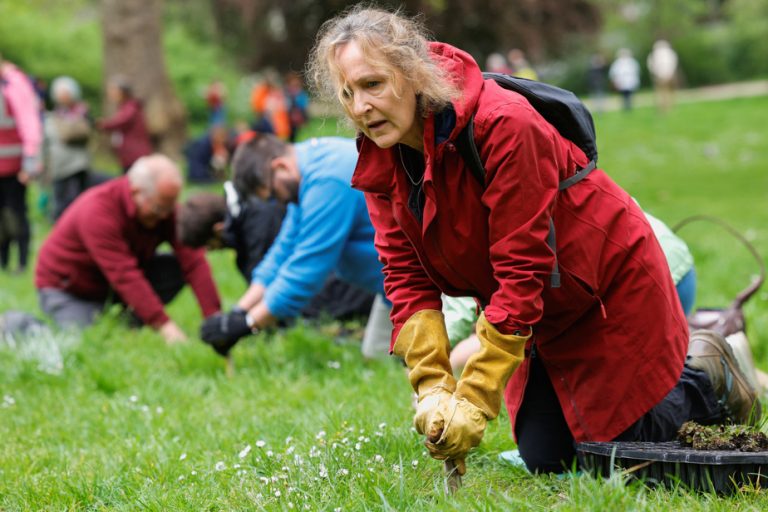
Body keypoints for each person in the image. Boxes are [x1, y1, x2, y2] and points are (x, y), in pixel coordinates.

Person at [308, 6, 760, 475]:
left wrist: (476, 398)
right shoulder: (383, 157)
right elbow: (404, 277)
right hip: (544, 312)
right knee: (546, 459)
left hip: (607, 285)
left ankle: (714, 374)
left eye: (372, 84)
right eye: (347, 93)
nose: (360, 106)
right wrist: (435, 388)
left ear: (413, 74)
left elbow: (522, 269)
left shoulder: (503, 124)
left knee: (622, 455)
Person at [198, 134, 391, 358]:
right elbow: (284, 248)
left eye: (273, 194)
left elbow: (308, 268)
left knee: (413, 363)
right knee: (377, 354)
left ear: (280, 166)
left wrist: (250, 323)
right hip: (391, 287)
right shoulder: (306, 170)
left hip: (422, 282)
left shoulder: (327, 181)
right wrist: (238, 313)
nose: (277, 203)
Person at [35, 154, 221, 344]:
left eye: (170, 208)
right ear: (135, 192)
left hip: (112, 285)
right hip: (70, 289)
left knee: (172, 268)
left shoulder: (164, 206)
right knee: (86, 338)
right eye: (159, 208)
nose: (166, 216)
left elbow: (193, 260)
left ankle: (130, 321)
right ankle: (18, 324)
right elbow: (124, 274)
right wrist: (166, 327)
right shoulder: (98, 211)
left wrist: (216, 319)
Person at [178, 187, 375, 322]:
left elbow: (285, 282)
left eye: (210, 246)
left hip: (349, 287)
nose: (214, 251)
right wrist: (240, 314)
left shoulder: (258, 225)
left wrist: (247, 322)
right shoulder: (245, 215)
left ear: (218, 229)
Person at [0, 54, 42, 274]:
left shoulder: (15, 83)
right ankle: (3, 263)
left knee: (16, 212)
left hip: (16, 168)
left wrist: (30, 162)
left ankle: (23, 263)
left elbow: (29, 123)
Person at [44, 76, 105, 220]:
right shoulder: (54, 116)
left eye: (66, 94)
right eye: (61, 94)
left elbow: (77, 134)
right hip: (59, 166)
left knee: (76, 199)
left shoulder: (81, 113)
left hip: (77, 165)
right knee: (61, 200)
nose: (63, 98)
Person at [97, 77, 153, 173]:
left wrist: (103, 124)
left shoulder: (131, 107)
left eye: (114, 90)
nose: (111, 94)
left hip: (135, 154)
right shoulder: (124, 107)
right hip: (128, 154)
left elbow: (121, 121)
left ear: (123, 92)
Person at [250, 72, 291, 140]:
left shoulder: (277, 93)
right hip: (272, 126)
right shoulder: (262, 91)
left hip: (279, 128)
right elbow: (258, 107)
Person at [647, 40, 679, 113]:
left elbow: (651, 65)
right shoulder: (668, 53)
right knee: (665, 92)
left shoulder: (656, 54)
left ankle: (665, 107)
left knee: (663, 92)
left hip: (663, 75)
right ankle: (665, 107)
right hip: (664, 75)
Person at [284, 72, 310, 142]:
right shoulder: (285, 92)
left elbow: (304, 106)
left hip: (295, 118)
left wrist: (305, 118)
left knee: (293, 135)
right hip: (287, 117)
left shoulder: (300, 92)